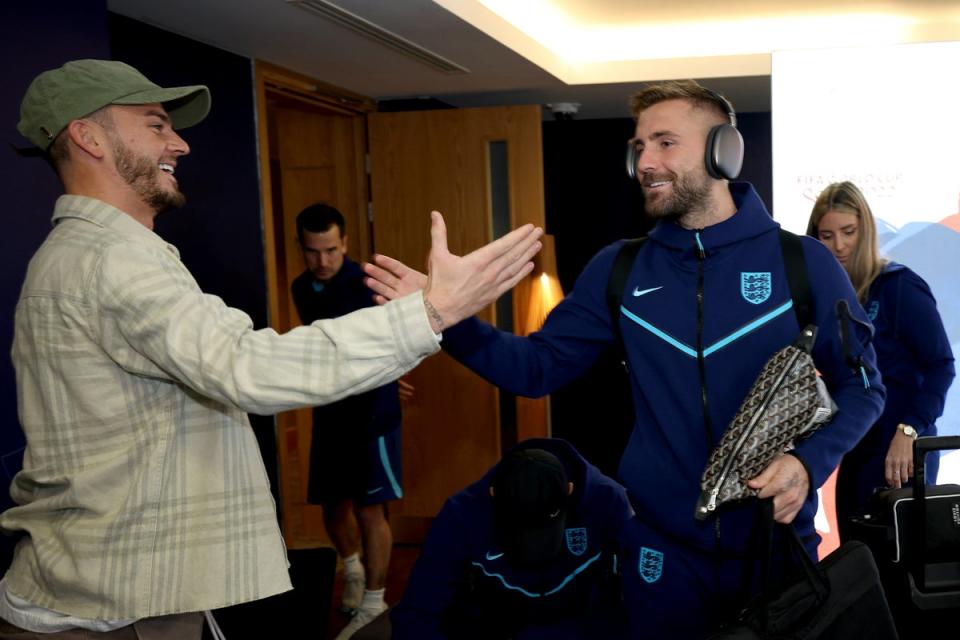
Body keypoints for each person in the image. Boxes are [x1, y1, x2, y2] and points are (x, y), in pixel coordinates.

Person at [0, 59, 542, 639]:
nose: (178, 143)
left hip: (123, 593)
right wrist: (432, 313)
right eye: (156, 124)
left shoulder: (96, 253)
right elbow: (246, 366)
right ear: (87, 136)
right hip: (110, 611)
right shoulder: (111, 258)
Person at [364, 80, 885, 638]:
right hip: (661, 551)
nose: (645, 163)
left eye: (665, 144)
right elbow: (535, 368)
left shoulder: (800, 262)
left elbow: (865, 388)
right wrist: (443, 317)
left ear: (722, 151)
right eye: (639, 147)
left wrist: (808, 463)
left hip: (774, 547)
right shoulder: (621, 268)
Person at [806, 181, 955, 538]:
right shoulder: (824, 300)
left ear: (866, 230)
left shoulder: (898, 286)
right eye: (826, 235)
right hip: (856, 448)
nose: (839, 246)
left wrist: (909, 430)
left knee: (900, 569)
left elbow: (941, 365)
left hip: (901, 451)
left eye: (848, 232)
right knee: (856, 564)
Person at [289, 203, 404, 639]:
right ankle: (353, 570)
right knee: (332, 504)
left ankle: (375, 604)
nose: (322, 261)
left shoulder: (369, 283)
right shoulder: (302, 287)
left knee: (369, 508)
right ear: (302, 247)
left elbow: (396, 337)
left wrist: (395, 373)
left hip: (373, 413)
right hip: (330, 410)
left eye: (332, 250)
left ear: (346, 244)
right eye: (313, 251)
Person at [391, 438, 632, 640]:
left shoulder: (608, 502)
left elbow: (644, 598)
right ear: (493, 495)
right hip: (496, 627)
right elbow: (418, 610)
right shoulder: (462, 513)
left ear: (569, 491)